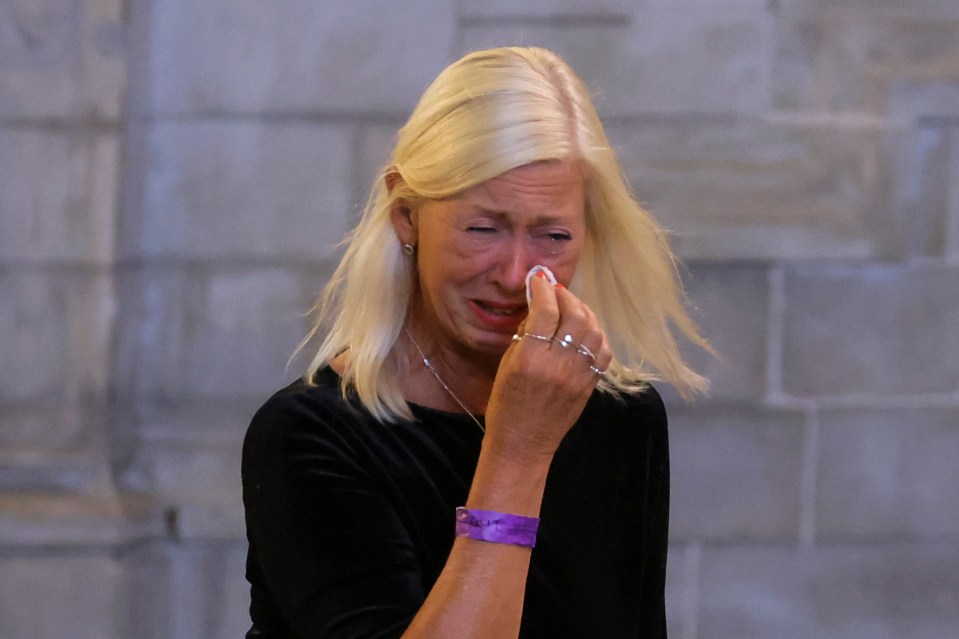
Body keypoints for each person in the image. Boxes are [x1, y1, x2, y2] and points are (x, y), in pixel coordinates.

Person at [242, 46, 709, 639]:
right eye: (483, 229)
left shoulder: (623, 419)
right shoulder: (309, 436)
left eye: (554, 235)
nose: (516, 274)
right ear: (406, 214)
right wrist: (518, 451)